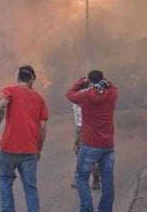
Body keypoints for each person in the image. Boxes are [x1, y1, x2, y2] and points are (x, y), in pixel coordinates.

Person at [0, 65, 48, 212]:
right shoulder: (39, 99)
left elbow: (1, 106)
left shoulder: (10, 90)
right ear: (31, 80)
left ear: (18, 78)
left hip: (8, 149)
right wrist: (39, 149)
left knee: (5, 182)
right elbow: (43, 128)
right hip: (30, 151)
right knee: (30, 188)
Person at [66, 70, 118, 212]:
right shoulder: (112, 94)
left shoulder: (85, 96)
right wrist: (105, 81)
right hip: (108, 145)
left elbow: (69, 94)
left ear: (89, 81)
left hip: (90, 144)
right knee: (107, 181)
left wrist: (81, 81)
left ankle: (87, 209)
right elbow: (113, 87)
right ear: (102, 80)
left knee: (81, 178)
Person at [71, 102, 101, 190]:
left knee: (82, 152)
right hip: (89, 127)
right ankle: (95, 180)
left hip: (84, 127)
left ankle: (81, 179)